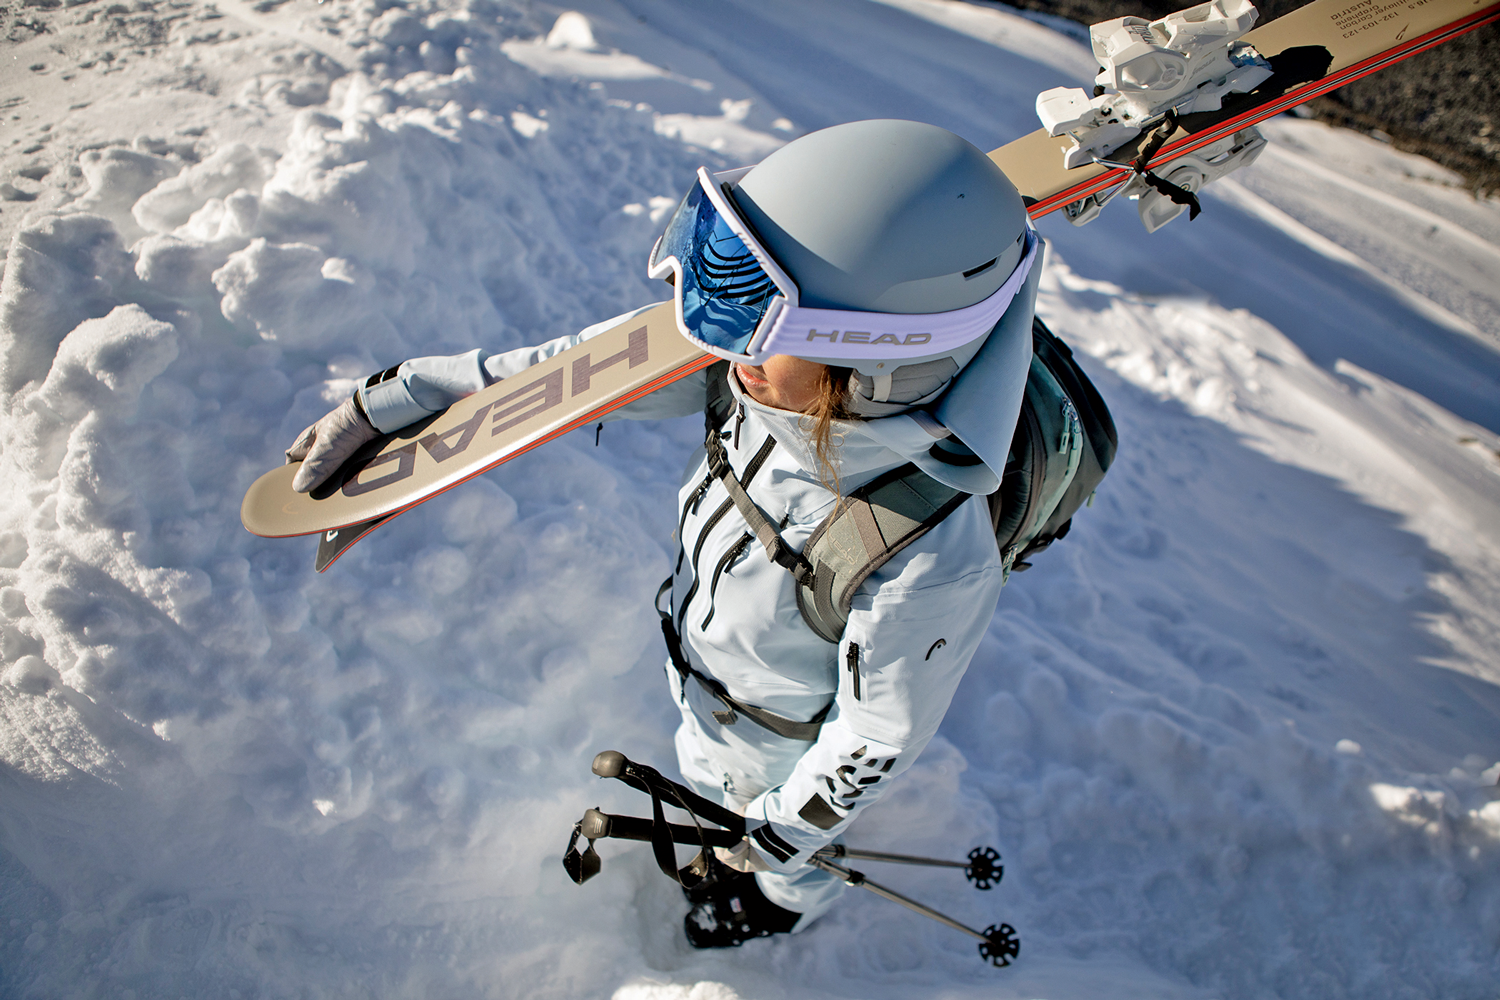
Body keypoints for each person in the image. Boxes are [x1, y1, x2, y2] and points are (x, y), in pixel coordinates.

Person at [287, 119, 1043, 947]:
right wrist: (417, 396)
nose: (718, 336)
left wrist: (781, 833)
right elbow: (574, 376)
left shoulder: (929, 551)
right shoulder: (755, 377)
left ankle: (781, 908)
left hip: (780, 751)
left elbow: (875, 736)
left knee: (765, 848)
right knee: (705, 774)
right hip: (708, 684)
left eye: (759, 317)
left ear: (880, 360)